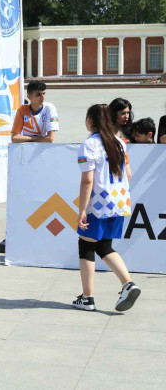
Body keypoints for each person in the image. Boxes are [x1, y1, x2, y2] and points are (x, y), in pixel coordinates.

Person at [73, 104, 141, 312]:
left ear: (91, 121)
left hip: (98, 203)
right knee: (104, 246)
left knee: (86, 246)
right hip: (118, 201)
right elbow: (128, 175)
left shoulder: (89, 145)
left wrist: (82, 210)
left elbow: (87, 181)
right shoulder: (120, 142)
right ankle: (128, 284)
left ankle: (88, 297)